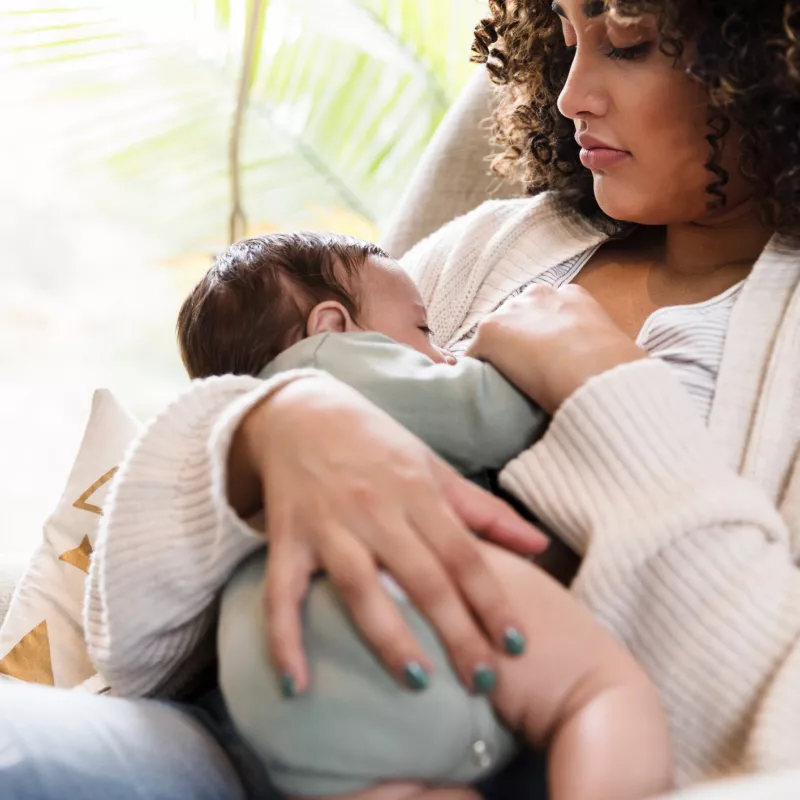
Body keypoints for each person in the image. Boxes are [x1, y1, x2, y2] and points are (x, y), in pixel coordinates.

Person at [3, 0, 800, 797]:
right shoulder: (499, 245)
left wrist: (607, 392)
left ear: (764, 66)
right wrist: (265, 432)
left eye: (627, 46)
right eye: (566, 38)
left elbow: (773, 736)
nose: (572, 94)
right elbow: (131, 641)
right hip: (234, 737)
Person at [174, 230, 672, 799]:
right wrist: (530, 347)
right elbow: (490, 414)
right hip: (394, 602)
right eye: (423, 330)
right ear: (332, 326)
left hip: (274, 676)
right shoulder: (328, 368)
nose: (445, 353)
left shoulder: (234, 429)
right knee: (599, 689)